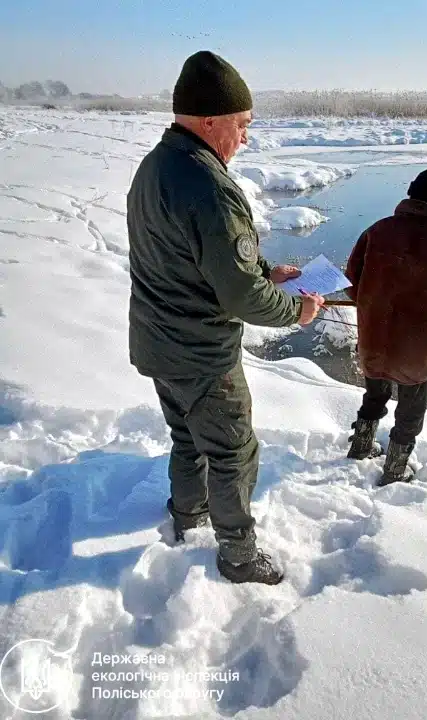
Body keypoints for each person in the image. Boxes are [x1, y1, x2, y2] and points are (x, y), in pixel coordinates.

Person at [127, 51, 325, 585]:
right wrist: (297, 309)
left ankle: (187, 511)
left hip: (156, 342)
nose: (244, 139)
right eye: (241, 126)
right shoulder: (210, 186)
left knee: (188, 436)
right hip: (200, 353)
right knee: (234, 449)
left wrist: (264, 267)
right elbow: (240, 297)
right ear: (209, 120)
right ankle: (238, 555)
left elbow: (191, 253)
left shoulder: (157, 165)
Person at [343, 168, 427, 486]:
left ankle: (361, 447)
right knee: (410, 410)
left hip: (373, 340)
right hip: (415, 352)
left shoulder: (376, 231)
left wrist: (373, 300)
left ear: (410, 194)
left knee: (373, 394)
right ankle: (394, 470)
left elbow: (352, 282)